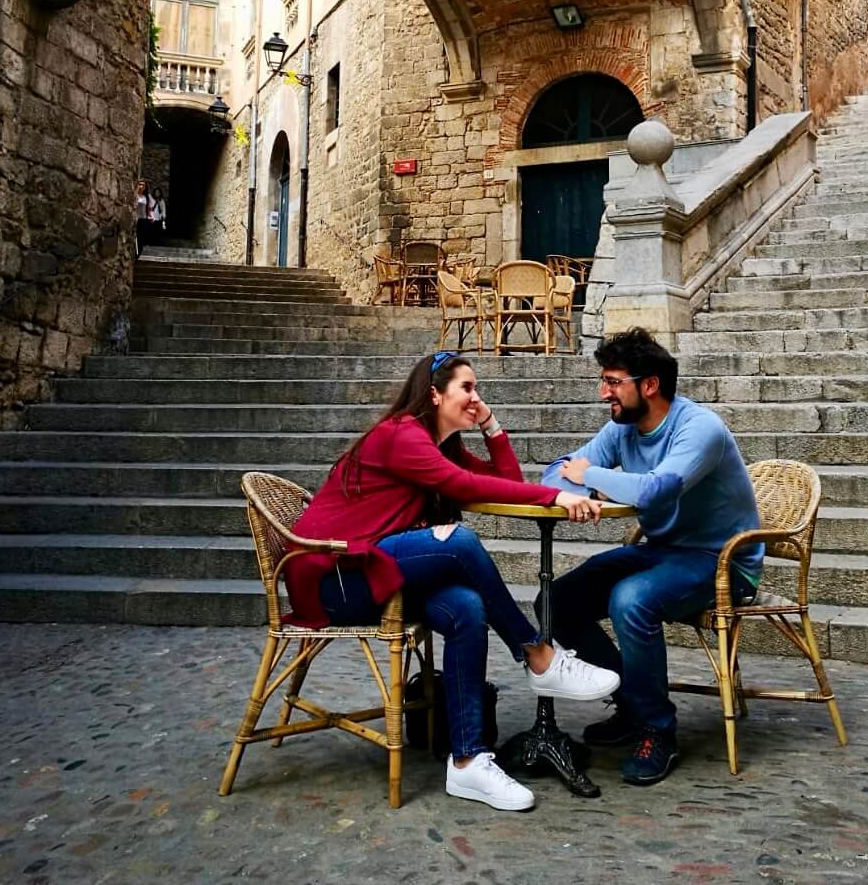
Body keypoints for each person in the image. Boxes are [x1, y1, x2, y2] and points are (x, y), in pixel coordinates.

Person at [286, 350, 620, 812]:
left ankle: (467, 763)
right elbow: (466, 488)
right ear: (434, 393)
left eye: (477, 389)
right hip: (337, 578)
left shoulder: (439, 444)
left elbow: (503, 481)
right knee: (459, 543)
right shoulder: (402, 435)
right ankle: (538, 654)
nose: (475, 397)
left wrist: (491, 425)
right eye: (467, 388)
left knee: (467, 608)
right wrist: (558, 494)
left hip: (377, 571)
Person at [541, 327, 762, 786]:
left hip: (720, 560)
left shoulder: (700, 429)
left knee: (630, 598)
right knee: (554, 601)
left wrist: (594, 476)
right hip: (662, 552)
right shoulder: (621, 428)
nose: (604, 393)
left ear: (650, 384)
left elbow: (658, 490)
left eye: (613, 381)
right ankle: (630, 701)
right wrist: (577, 485)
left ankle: (656, 729)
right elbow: (553, 475)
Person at [134, 180, 153, 258]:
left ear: (145, 187)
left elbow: (149, 209)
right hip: (134, 218)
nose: (141, 186)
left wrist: (152, 216)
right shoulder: (134, 195)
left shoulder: (147, 197)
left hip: (143, 219)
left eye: (143, 185)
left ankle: (138, 254)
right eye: (140, 184)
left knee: (141, 237)